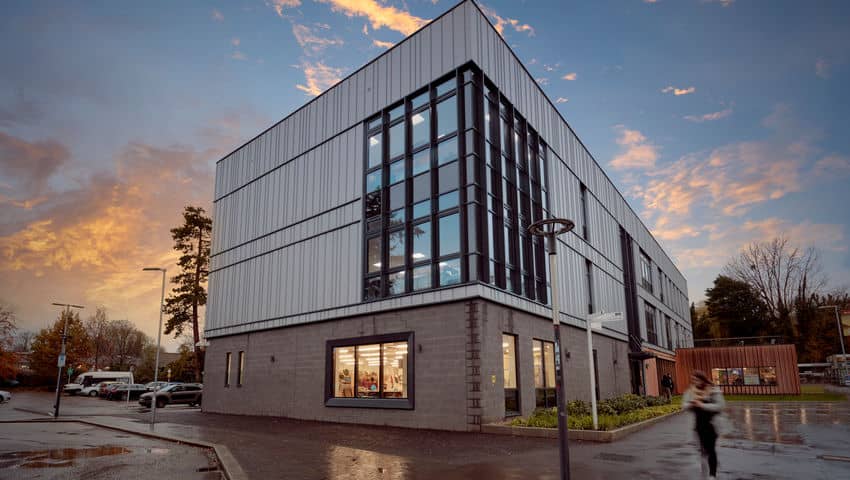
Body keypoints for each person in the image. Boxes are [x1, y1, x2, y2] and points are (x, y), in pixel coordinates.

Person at [683, 370, 726, 479]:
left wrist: (702, 405)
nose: (694, 382)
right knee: (702, 452)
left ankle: (712, 475)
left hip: (712, 426)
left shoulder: (713, 390)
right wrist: (691, 405)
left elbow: (720, 406)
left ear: (703, 379)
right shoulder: (691, 392)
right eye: (693, 380)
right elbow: (684, 405)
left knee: (710, 450)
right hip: (698, 426)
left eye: (696, 379)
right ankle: (705, 474)